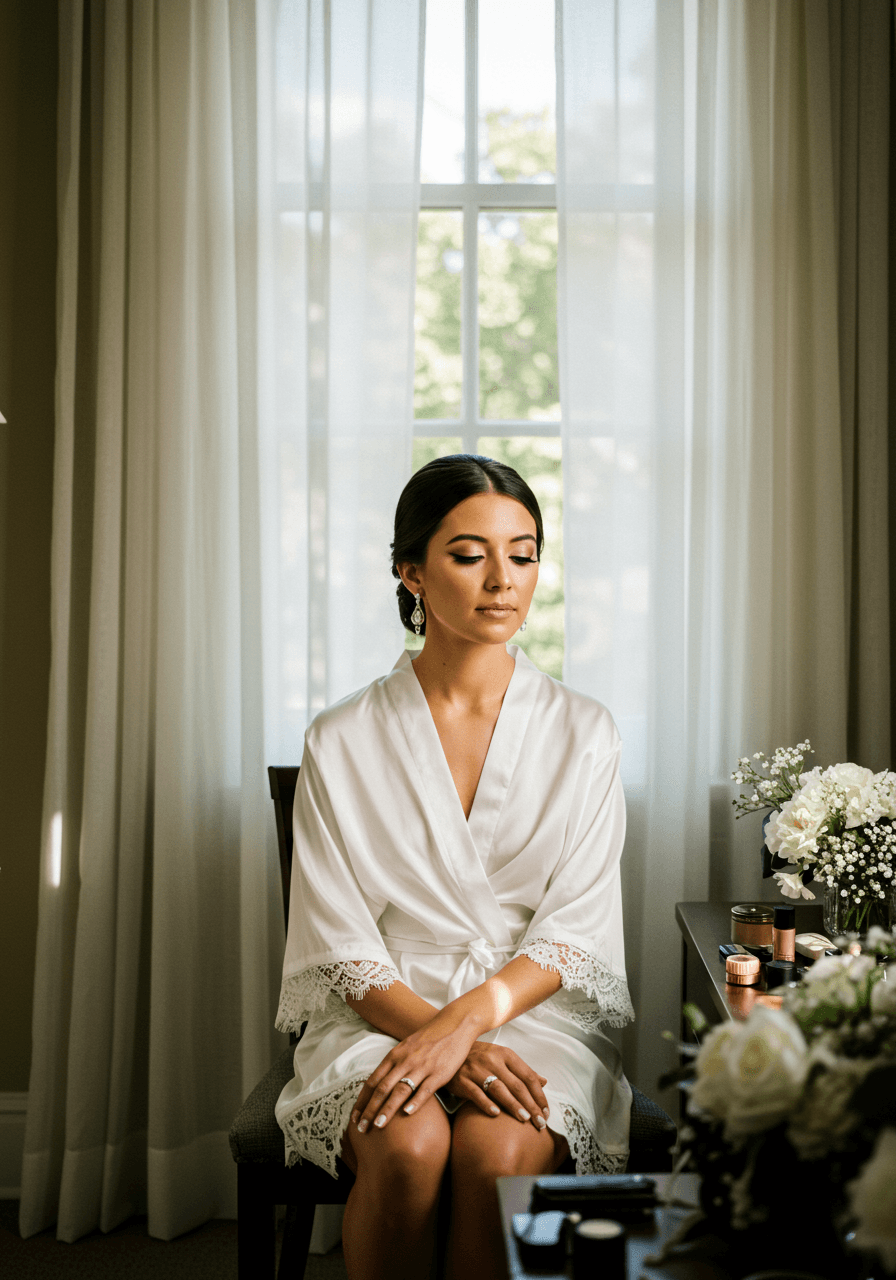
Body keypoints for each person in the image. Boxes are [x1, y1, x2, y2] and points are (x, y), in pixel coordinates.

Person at [274, 454, 634, 1280]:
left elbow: (574, 929)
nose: (503, 579)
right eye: (470, 555)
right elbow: (337, 940)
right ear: (411, 570)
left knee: (497, 1158)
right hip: (379, 1017)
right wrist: (446, 1042)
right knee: (408, 1147)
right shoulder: (341, 738)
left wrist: (468, 1026)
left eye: (525, 552)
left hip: (532, 1016)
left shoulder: (585, 732)